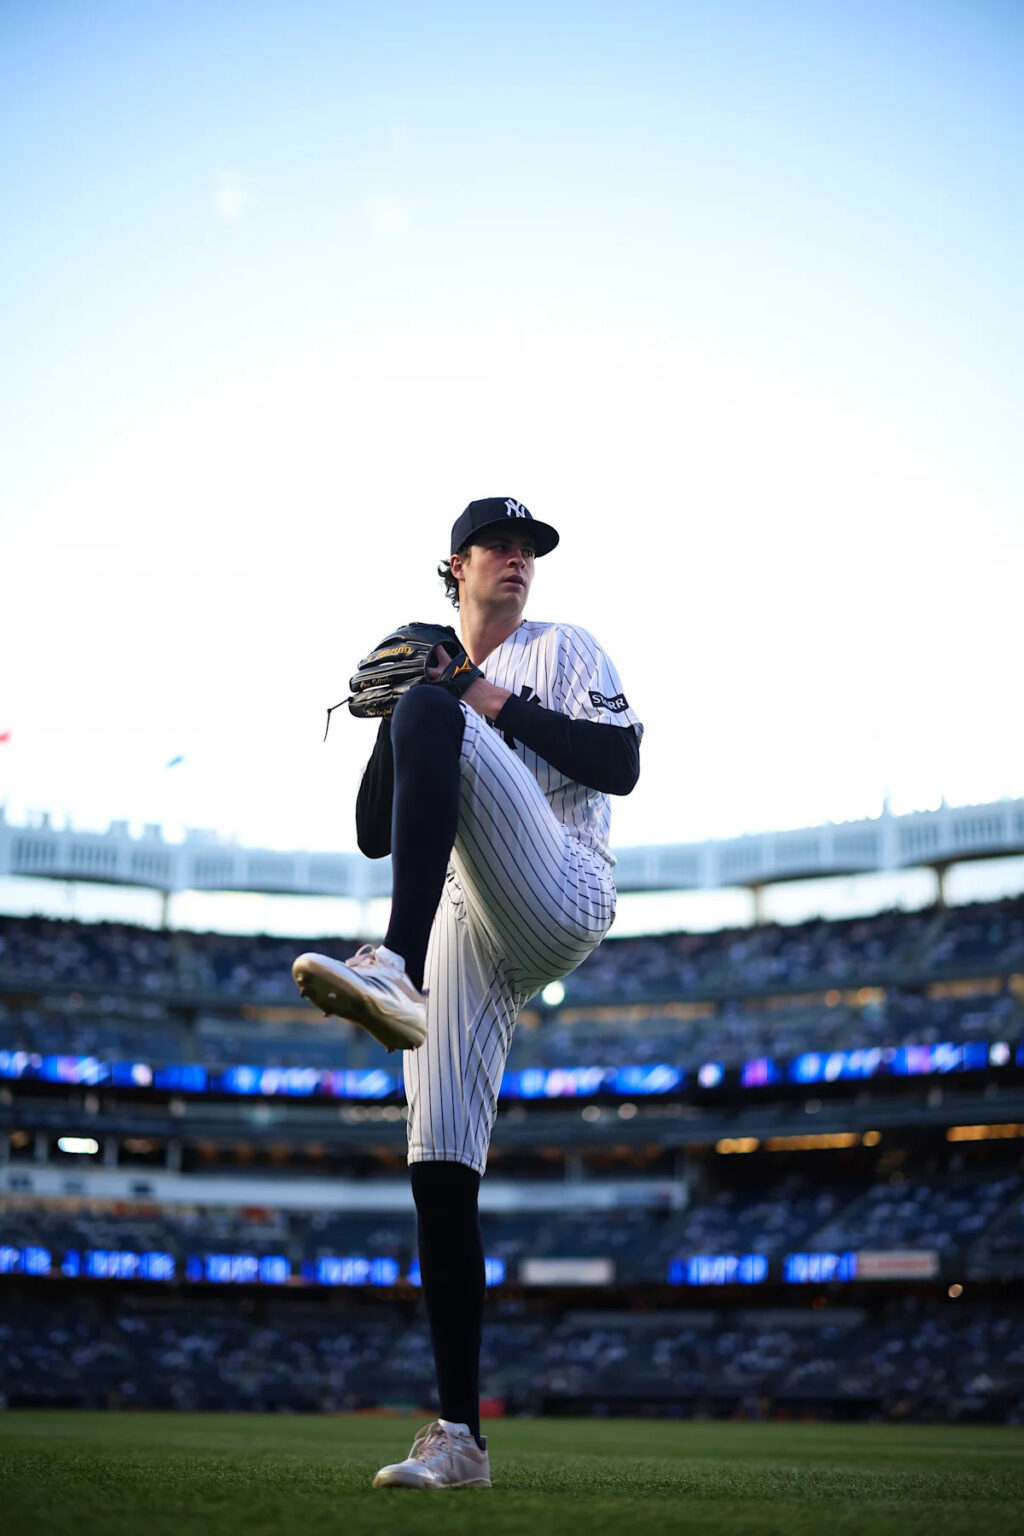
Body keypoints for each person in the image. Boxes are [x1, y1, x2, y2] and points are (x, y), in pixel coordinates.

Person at [292, 496, 642, 1488]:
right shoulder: (434, 679)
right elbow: (374, 834)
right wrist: (404, 709)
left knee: (434, 708)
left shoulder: (561, 647)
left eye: (529, 548)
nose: (517, 558)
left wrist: (467, 695)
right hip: (465, 913)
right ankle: (460, 1439)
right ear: (455, 567)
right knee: (441, 1171)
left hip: (561, 881)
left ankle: (392, 967)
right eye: (497, 544)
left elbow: (620, 765)